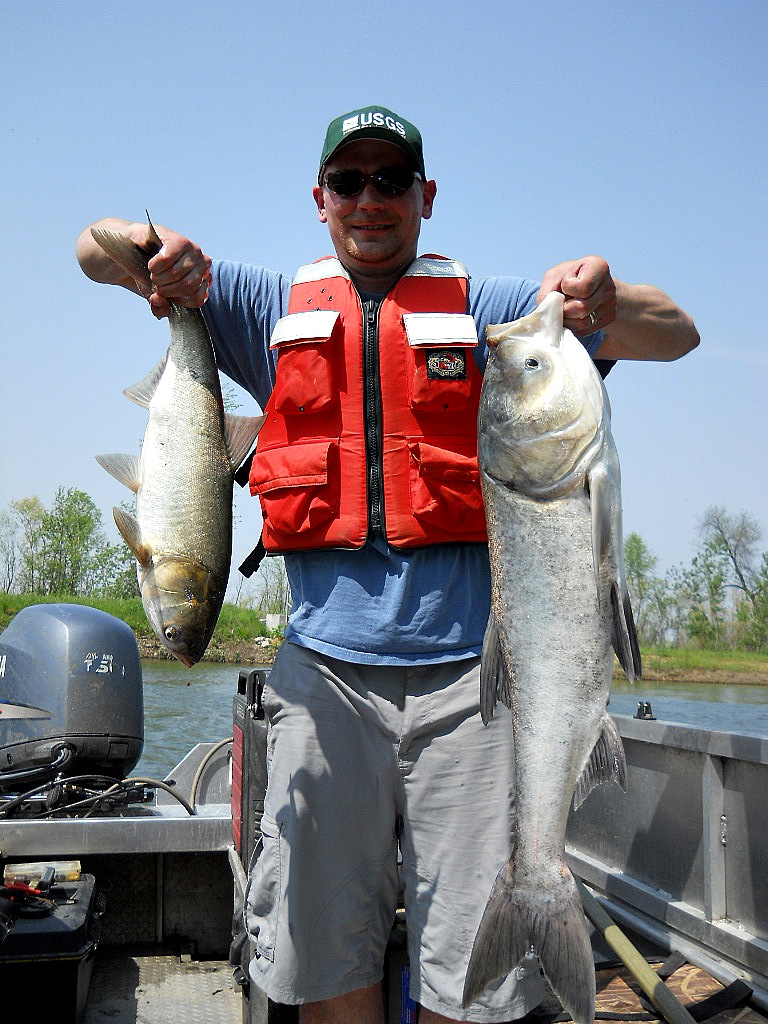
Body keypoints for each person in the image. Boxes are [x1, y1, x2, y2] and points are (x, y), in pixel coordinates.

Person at [77, 105, 699, 1024]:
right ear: (320, 200)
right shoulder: (258, 306)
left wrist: (601, 298)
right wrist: (144, 248)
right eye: (350, 183)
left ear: (425, 197)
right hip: (322, 684)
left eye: (392, 181)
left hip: (475, 697)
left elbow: (676, 330)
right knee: (326, 960)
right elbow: (94, 252)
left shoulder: (493, 314)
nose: (371, 201)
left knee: (468, 982)